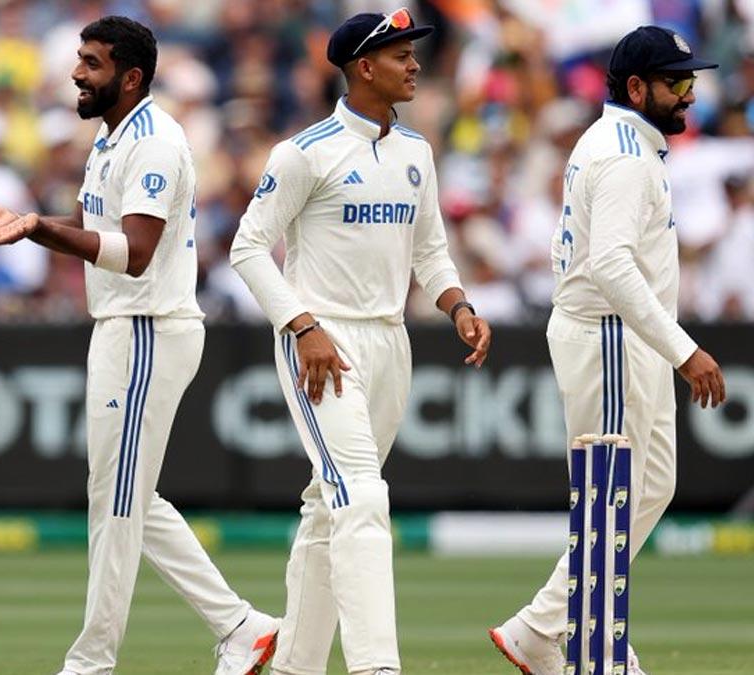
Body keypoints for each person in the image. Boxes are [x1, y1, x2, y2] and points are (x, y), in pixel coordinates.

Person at [0, 16, 279, 675]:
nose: (77, 72)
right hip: (121, 325)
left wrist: (39, 229)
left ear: (131, 77)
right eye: (79, 59)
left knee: (115, 501)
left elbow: (134, 253)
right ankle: (241, 624)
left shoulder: (156, 142)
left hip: (147, 326)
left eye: (92, 62)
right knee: (126, 494)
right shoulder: (112, 139)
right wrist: (37, 225)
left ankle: (91, 661)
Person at [229, 9, 493, 675]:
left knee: (330, 505)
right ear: (362, 67)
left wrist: (457, 302)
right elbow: (248, 248)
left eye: (414, 53)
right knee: (363, 497)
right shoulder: (304, 151)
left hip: (389, 341)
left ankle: (294, 664)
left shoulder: (416, 152)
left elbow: (430, 252)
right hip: (322, 341)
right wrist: (303, 325)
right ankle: (378, 665)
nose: (415, 64)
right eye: (401, 54)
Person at [489, 25, 726, 675]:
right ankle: (599, 650)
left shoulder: (631, 144)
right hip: (609, 334)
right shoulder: (623, 153)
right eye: (676, 84)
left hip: (623, 334)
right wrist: (685, 350)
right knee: (611, 495)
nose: (688, 96)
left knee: (652, 484)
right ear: (635, 87)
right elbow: (614, 266)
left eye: (691, 82)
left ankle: (541, 626)